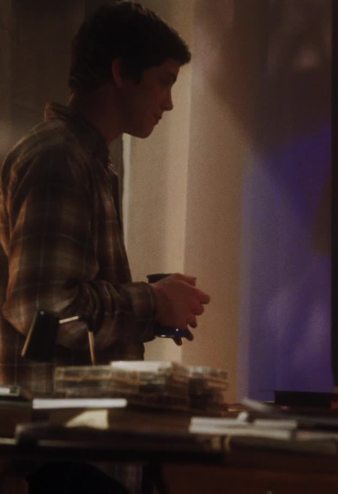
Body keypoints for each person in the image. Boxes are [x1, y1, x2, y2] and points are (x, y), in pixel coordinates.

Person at [0, 2, 210, 491]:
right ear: (120, 72)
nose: (169, 102)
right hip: (54, 453)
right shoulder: (59, 159)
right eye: (163, 81)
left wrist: (156, 306)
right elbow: (43, 308)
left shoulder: (86, 160)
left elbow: (63, 301)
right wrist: (151, 301)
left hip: (71, 446)